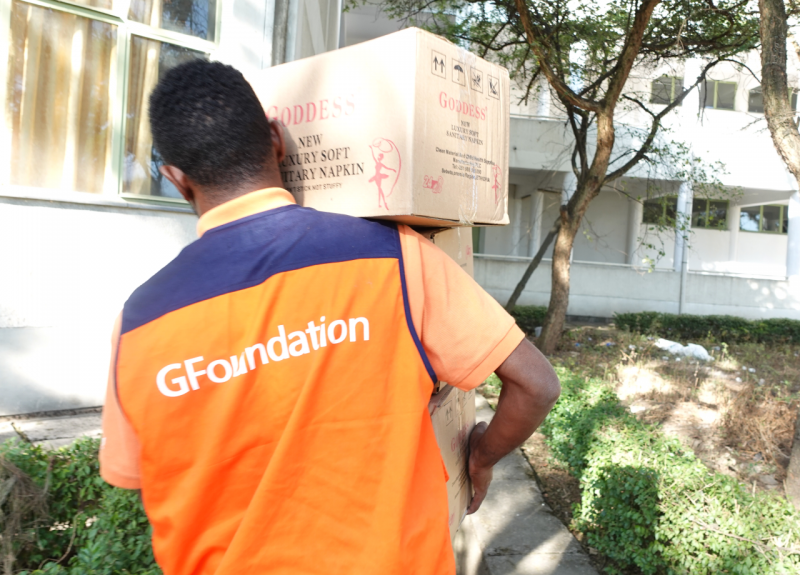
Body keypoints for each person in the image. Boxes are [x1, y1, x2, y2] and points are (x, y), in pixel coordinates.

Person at [100, 60, 560, 575]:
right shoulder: (395, 258)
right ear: (277, 140)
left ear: (177, 180)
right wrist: (480, 457)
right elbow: (536, 385)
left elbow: (135, 473)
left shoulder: (138, 324)